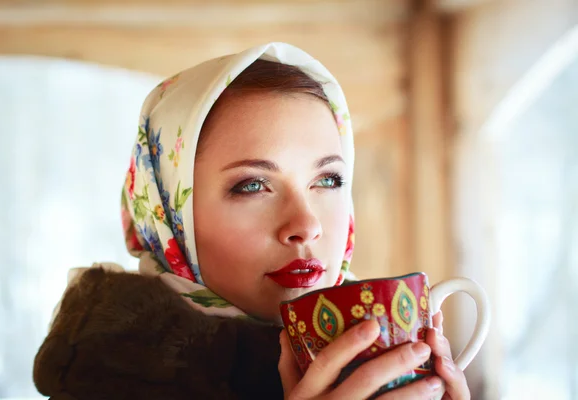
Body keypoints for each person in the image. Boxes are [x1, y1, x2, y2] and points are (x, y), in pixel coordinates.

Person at [33, 42, 470, 399]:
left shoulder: (379, 356)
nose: (306, 224)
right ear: (167, 216)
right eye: (252, 186)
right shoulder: (100, 379)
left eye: (329, 179)